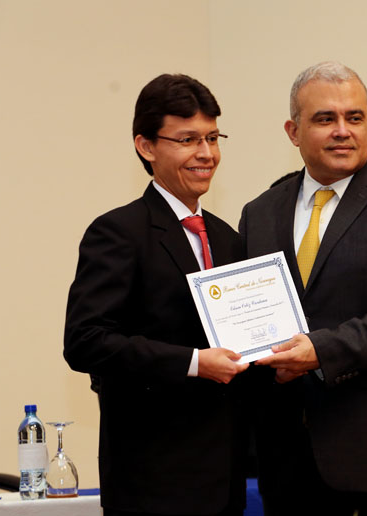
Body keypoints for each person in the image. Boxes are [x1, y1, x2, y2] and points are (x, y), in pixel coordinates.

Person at [239, 62, 367, 516]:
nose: (342, 131)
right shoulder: (260, 212)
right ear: (293, 132)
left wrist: (320, 350)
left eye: (354, 118)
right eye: (325, 119)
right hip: (286, 457)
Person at [64, 74, 249, 516]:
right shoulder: (118, 232)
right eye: (187, 140)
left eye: (212, 138)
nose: (206, 153)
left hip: (225, 477)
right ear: (146, 146)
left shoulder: (228, 238)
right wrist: (194, 362)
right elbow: (86, 341)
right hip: (152, 481)